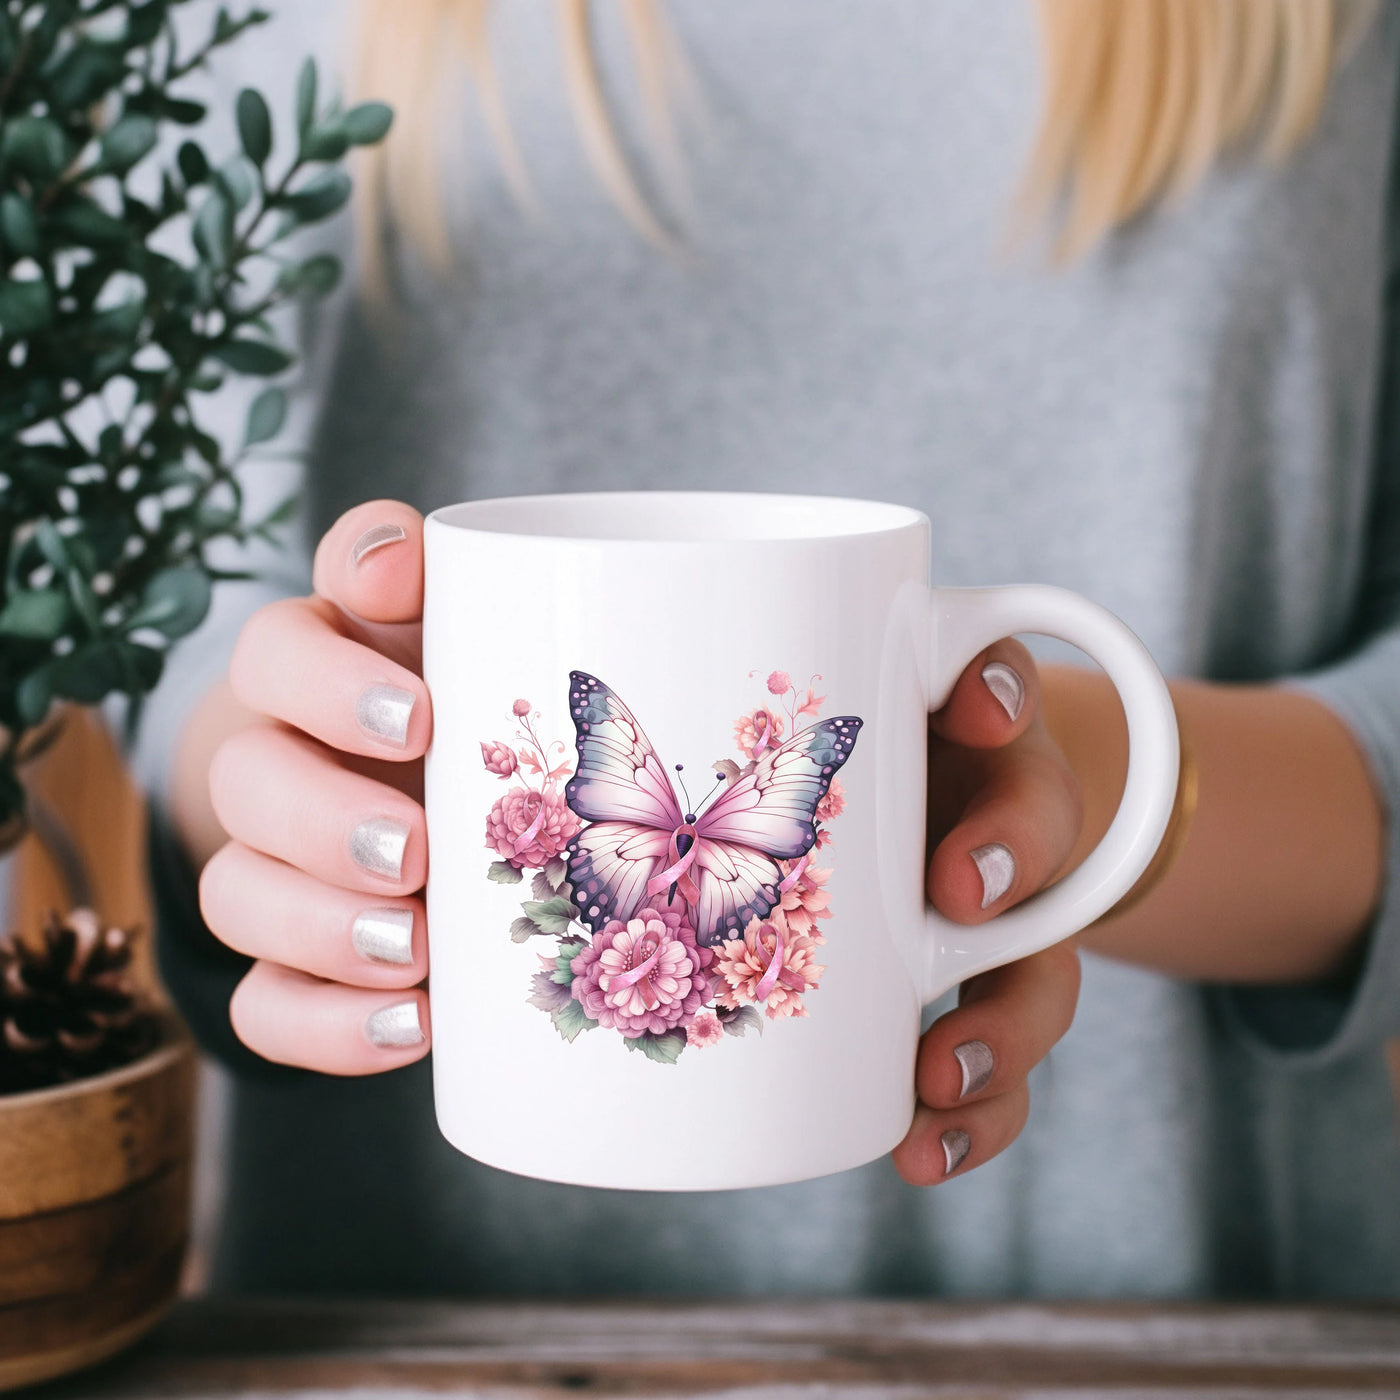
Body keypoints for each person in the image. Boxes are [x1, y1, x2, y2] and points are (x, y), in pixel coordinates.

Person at [145, 0, 1400, 1296]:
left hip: (1185, 1328)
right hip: (395, 1323)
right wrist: (262, 786)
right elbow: (163, 599)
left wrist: (1054, 779)